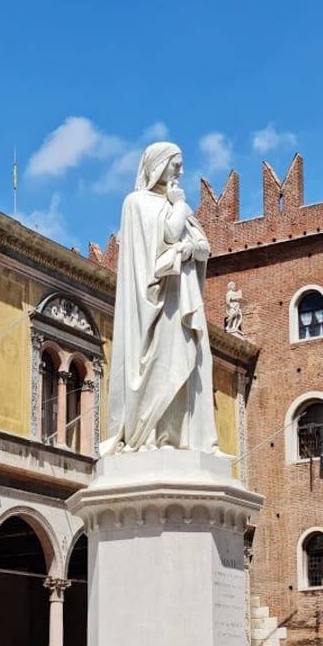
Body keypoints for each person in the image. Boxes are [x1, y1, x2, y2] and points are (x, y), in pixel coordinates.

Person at [100, 142, 218, 455]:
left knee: (188, 363)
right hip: (157, 302)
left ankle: (180, 438)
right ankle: (148, 436)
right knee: (161, 366)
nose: (181, 171)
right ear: (157, 165)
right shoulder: (136, 203)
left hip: (183, 297)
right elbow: (167, 235)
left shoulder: (177, 203)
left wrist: (190, 248)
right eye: (175, 164)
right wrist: (179, 209)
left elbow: (204, 245)